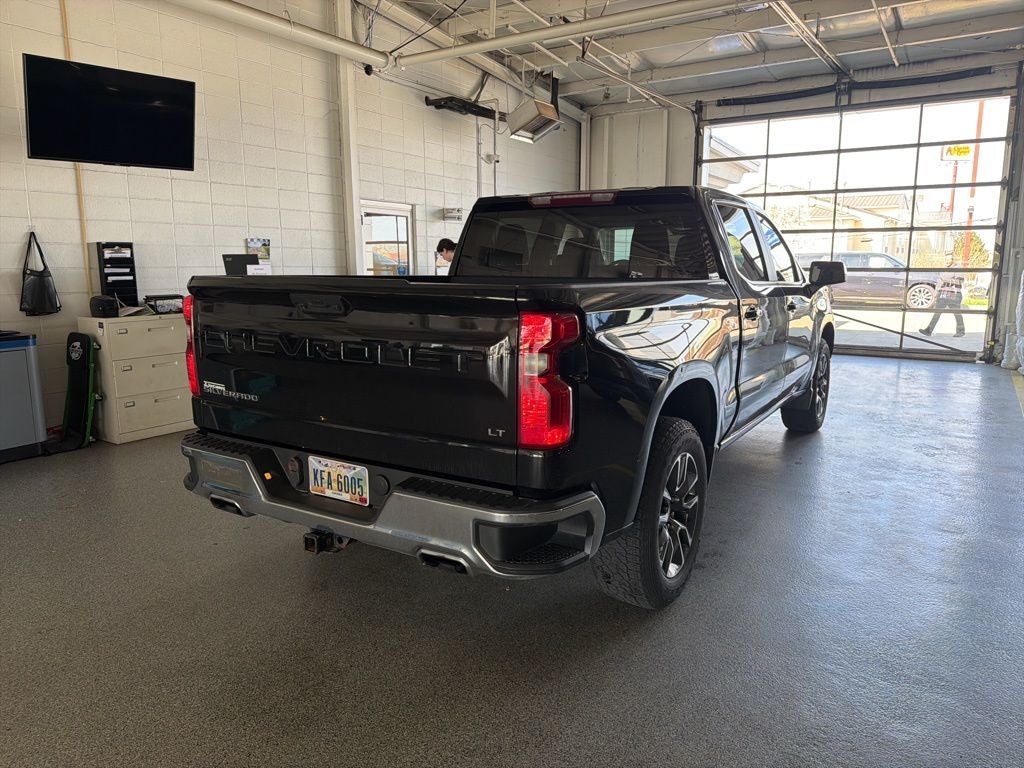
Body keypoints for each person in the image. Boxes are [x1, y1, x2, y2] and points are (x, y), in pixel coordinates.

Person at [920, 258, 965, 338]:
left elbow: (958, 279)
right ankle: (929, 330)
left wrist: (946, 278)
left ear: (953, 260)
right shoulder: (946, 269)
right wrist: (937, 292)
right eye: (945, 259)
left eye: (948, 259)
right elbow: (940, 281)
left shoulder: (958, 268)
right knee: (937, 312)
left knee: (957, 313)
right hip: (943, 293)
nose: (946, 261)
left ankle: (961, 331)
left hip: (954, 294)